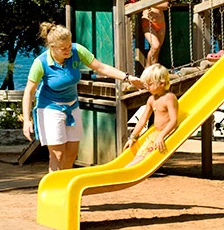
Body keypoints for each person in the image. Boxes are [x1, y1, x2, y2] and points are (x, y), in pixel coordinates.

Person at [23, 22, 146, 172]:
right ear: (52, 47)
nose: (68, 50)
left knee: (72, 153)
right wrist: (27, 120)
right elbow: (29, 92)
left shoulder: (76, 50)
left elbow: (101, 67)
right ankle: (53, 189)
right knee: (57, 155)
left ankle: (65, 185)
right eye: (64, 48)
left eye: (69, 46)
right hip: (49, 108)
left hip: (72, 106)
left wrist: (127, 77)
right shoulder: (40, 63)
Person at [123, 64, 179, 166]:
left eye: (150, 84)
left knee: (145, 157)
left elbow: (173, 121)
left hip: (167, 133)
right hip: (155, 133)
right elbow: (142, 120)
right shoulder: (151, 99)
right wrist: (133, 137)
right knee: (140, 154)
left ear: (161, 83)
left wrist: (162, 136)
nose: (147, 87)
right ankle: (127, 169)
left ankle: (127, 170)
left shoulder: (169, 98)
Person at [132, 0, 169, 67]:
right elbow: (133, 1)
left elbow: (165, 5)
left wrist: (150, 2)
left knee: (156, 50)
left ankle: (154, 73)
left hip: (161, 23)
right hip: (148, 22)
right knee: (155, 46)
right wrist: (129, 4)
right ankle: (147, 70)